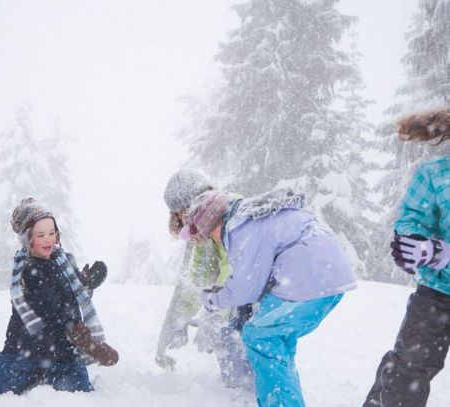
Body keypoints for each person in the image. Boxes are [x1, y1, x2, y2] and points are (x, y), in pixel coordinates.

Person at [183, 188, 356, 407]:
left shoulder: (241, 228)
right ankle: (282, 399)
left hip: (307, 276)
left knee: (260, 337)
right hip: (328, 276)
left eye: (210, 234)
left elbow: (245, 289)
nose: (213, 240)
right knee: (276, 341)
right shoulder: (251, 218)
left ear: (215, 224)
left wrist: (212, 300)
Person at [0, 197, 118, 395]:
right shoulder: (28, 271)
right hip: (29, 346)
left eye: (52, 232)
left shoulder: (63, 259)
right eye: (41, 234)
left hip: (62, 350)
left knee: (78, 388)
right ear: (28, 239)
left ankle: (50, 372)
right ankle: (33, 372)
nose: (48, 239)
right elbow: (51, 308)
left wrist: (85, 282)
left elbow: (71, 289)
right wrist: (88, 343)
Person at [363, 109, 450, 407]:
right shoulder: (438, 173)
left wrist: (442, 253)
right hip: (438, 293)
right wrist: (413, 242)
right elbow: (413, 218)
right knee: (406, 373)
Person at [155, 169, 253, 389]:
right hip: (237, 298)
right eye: (179, 213)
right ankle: (238, 388)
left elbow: (235, 267)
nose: (183, 218)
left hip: (255, 297)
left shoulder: (233, 213)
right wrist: (180, 319)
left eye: (185, 210)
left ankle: (247, 391)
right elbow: (198, 278)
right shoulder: (204, 231)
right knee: (226, 337)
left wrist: (216, 313)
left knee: (235, 336)